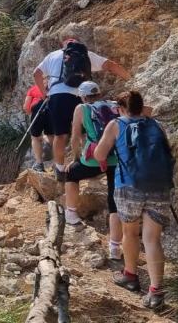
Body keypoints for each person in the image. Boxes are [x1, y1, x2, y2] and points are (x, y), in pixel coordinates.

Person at [93, 90, 174, 311]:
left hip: (128, 186)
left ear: (120, 108)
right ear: (141, 106)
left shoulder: (116, 124)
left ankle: (130, 275)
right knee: (152, 239)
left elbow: (100, 154)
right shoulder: (156, 125)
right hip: (159, 186)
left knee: (130, 233)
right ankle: (156, 292)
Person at [33, 38, 130, 181]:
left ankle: (60, 170)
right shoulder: (85, 55)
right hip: (81, 95)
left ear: (64, 46)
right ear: (78, 45)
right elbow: (110, 65)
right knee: (85, 132)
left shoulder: (52, 56)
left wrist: (44, 94)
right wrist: (130, 78)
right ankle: (87, 162)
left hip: (58, 97)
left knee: (60, 135)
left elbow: (36, 74)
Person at [64, 82, 122, 260]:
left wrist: (75, 159)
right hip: (115, 158)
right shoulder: (113, 105)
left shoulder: (81, 108)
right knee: (114, 201)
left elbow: (75, 136)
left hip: (94, 158)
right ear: (99, 93)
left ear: (82, 96)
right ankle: (114, 248)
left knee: (71, 174)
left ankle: (71, 214)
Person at [23, 84, 50, 172]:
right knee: (52, 135)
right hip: (52, 108)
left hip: (38, 111)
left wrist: (30, 111)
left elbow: (26, 107)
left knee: (35, 137)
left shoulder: (33, 89)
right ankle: (58, 163)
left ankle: (39, 163)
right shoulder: (55, 87)